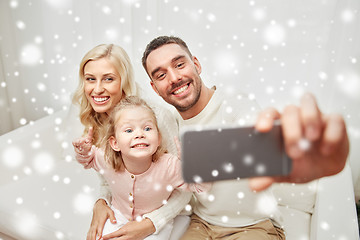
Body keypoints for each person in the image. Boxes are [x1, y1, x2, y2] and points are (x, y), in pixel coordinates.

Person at [94, 36, 349, 239]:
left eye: (180, 64)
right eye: (160, 75)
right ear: (154, 87)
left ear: (197, 64)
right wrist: (101, 200)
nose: (174, 78)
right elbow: (130, 167)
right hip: (201, 225)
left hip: (254, 227)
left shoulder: (236, 105)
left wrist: (298, 148)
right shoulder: (163, 123)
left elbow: (267, 147)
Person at [72, 44, 192, 240]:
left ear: (123, 81)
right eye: (90, 79)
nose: (98, 89)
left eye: (108, 79)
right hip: (125, 211)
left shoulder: (157, 118)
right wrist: (101, 202)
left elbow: (183, 188)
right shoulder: (97, 118)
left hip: (164, 213)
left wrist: (151, 223)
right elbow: (109, 175)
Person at [73, 96, 209, 240]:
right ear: (114, 143)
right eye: (129, 130)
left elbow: (201, 187)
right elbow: (88, 159)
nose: (139, 134)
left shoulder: (169, 165)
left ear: (158, 139)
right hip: (118, 216)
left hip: (153, 224)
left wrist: (193, 168)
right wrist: (83, 151)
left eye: (147, 128)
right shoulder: (106, 159)